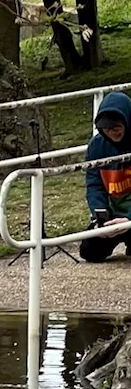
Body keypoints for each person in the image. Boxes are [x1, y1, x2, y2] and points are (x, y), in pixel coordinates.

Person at [81, 91, 131, 263]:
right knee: (90, 252)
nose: (112, 132)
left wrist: (129, 219)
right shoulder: (96, 147)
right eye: (106, 128)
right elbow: (94, 185)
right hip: (113, 216)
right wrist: (100, 216)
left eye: (116, 127)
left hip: (129, 215)